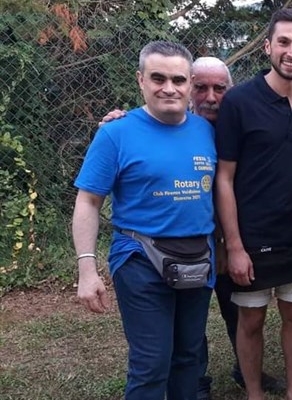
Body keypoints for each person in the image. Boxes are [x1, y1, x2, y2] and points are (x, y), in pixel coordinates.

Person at [99, 56, 286, 398]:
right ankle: (195, 384)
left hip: (233, 241)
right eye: (200, 87)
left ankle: (246, 371)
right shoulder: (166, 124)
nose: (210, 97)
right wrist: (117, 122)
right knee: (185, 328)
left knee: (239, 312)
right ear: (188, 87)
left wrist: (233, 245)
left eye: (220, 88)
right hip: (179, 248)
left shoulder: (238, 124)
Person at [73, 40, 217, 399]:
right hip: (140, 258)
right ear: (140, 80)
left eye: (179, 80)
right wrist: (87, 270)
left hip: (198, 260)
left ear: (190, 83)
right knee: (152, 363)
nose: (169, 88)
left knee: (188, 357)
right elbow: (89, 201)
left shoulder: (206, 131)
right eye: (158, 78)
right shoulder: (115, 134)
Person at [214, 8, 292, 400]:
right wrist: (235, 246)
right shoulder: (239, 102)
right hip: (252, 235)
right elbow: (223, 179)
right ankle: (254, 393)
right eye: (284, 42)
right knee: (252, 319)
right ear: (268, 47)